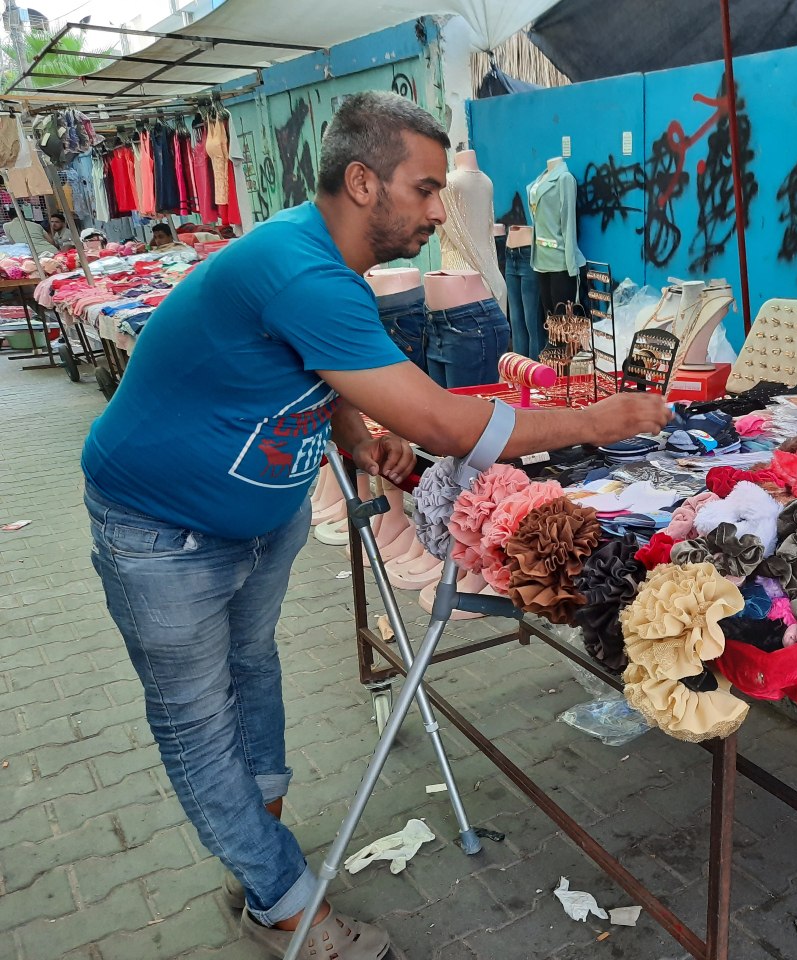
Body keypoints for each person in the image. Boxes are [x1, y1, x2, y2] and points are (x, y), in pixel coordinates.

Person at [80, 91, 668, 960]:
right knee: (197, 719)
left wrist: (356, 435)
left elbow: (308, 371)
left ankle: (257, 853)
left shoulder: (322, 261)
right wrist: (600, 420)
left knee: (253, 674)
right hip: (161, 530)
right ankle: (278, 898)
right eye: (426, 189)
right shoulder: (302, 269)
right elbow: (445, 425)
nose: (440, 210)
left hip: (259, 517)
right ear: (362, 182)